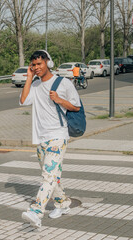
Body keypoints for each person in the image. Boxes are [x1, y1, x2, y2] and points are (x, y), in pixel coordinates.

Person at [20, 50, 81, 228]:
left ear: (48, 62)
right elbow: (23, 101)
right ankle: (63, 203)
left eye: (40, 64)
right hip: (41, 138)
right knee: (52, 175)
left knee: (48, 176)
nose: (37, 67)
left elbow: (76, 106)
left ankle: (36, 211)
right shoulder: (36, 85)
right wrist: (29, 78)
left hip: (58, 136)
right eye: (34, 65)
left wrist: (60, 100)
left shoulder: (63, 83)